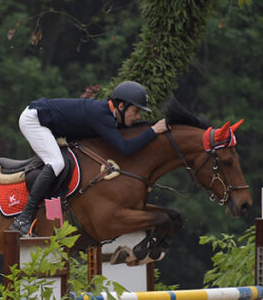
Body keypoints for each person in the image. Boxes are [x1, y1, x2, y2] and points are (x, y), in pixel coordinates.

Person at [10, 81, 168, 235]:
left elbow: (127, 131)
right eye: (136, 111)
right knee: (56, 163)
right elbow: (125, 148)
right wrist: (153, 131)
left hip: (48, 123)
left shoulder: (107, 114)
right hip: (34, 121)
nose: (138, 116)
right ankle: (23, 218)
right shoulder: (102, 116)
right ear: (121, 106)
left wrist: (152, 126)